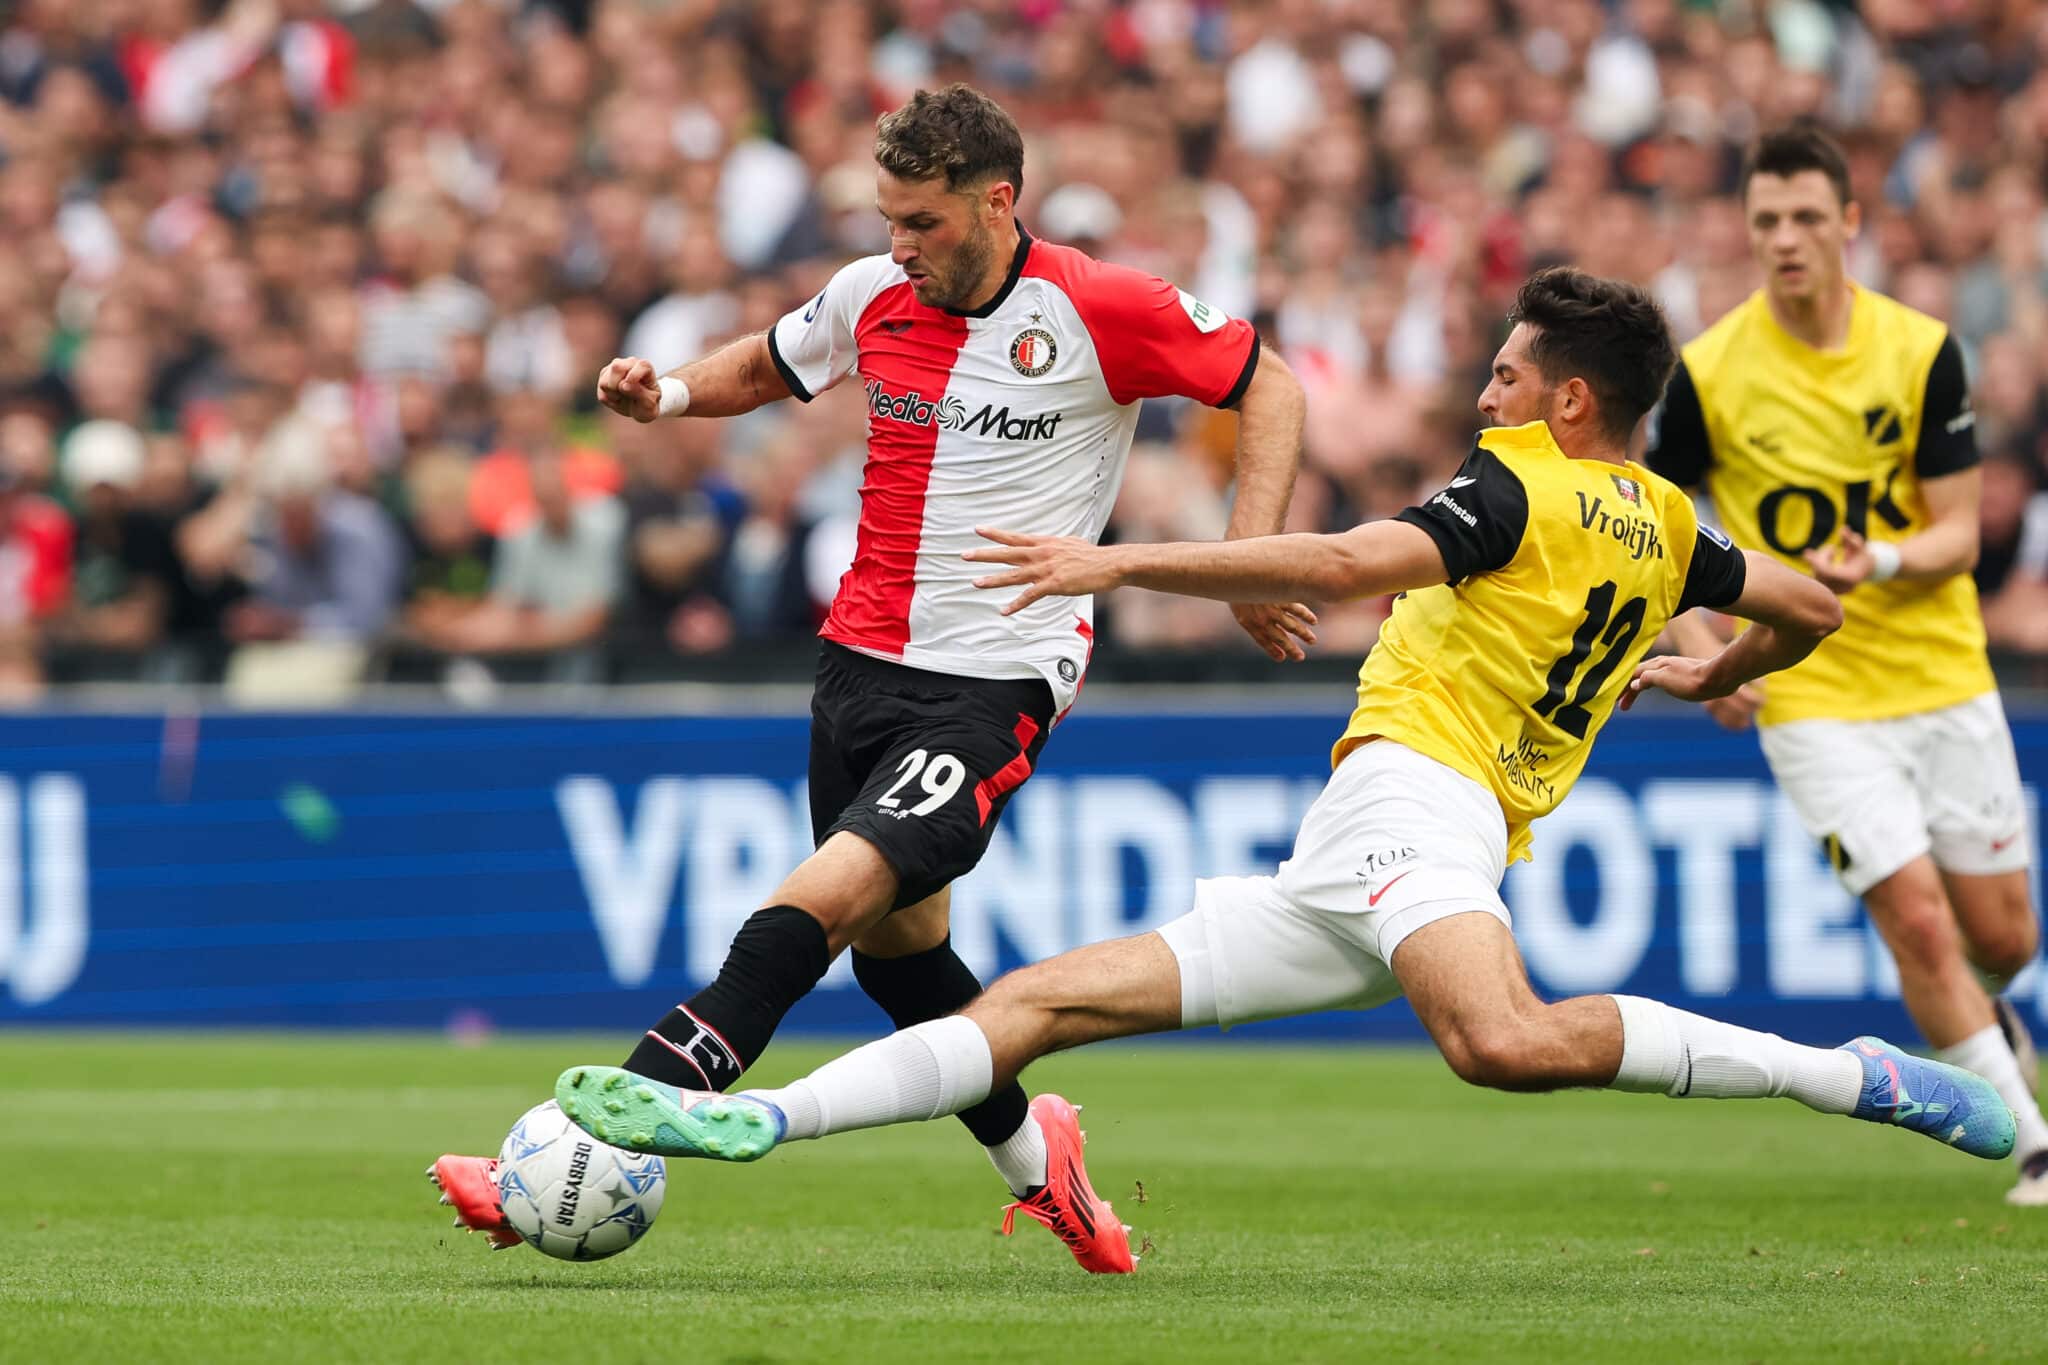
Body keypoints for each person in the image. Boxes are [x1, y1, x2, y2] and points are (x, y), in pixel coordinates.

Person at [544, 269, 2018, 1271]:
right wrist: (1716, 670)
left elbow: (1334, 558)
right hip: (1369, 847)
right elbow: (1815, 608)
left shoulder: (1516, 482)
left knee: (1499, 1042)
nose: (1487, 388)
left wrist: (1119, 557)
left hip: (1423, 806)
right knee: (1039, 1003)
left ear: (1570, 401)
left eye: (1510, 372)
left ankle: (1847, 1076)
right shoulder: (1671, 523)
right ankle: (757, 1120)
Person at [429, 84, 1309, 1269]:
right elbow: (777, 362)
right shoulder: (871, 291)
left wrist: (1243, 560)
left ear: (997, 204)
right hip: (854, 668)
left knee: (819, 904)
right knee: (906, 969)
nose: (900, 246)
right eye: (887, 219)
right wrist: (672, 393)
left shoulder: (1098, 305)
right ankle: (1041, 1163)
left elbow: (1269, 383)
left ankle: (576, 1138)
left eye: (924, 224)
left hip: (992, 681)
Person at [1645, 124, 2048, 1207]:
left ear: (1848, 224)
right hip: (1808, 689)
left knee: (1999, 936)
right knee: (1913, 918)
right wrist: (1706, 651)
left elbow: (1958, 536)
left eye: (1806, 218)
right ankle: (2032, 1143)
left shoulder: (1918, 351)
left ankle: (1988, 1016)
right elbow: (1657, 529)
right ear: (1745, 230)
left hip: (1938, 673)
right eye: (1765, 220)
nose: (1785, 239)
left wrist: (1878, 558)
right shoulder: (1710, 371)